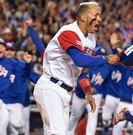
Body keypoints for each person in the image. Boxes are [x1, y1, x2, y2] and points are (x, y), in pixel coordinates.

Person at [33, 2, 120, 134]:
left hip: (65, 91)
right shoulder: (69, 31)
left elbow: (83, 69)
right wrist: (106, 58)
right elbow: (79, 59)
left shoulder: (91, 40)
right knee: (57, 132)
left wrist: (87, 91)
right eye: (96, 15)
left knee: (56, 132)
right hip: (50, 86)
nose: (100, 19)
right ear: (83, 17)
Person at [67, 47, 110, 135]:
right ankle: (68, 133)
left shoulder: (107, 68)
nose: (100, 56)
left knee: (93, 118)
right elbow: (78, 79)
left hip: (95, 95)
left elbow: (106, 84)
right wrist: (87, 89)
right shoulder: (87, 64)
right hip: (80, 95)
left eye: (102, 55)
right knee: (74, 117)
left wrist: (104, 97)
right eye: (98, 54)